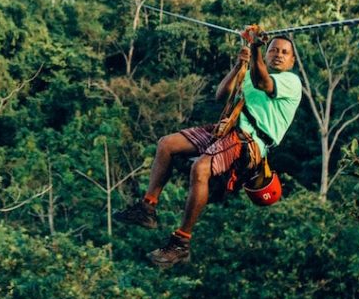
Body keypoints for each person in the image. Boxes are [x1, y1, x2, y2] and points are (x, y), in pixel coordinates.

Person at [114, 24, 301, 267]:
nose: (278, 54)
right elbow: (221, 96)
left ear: (292, 61)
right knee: (167, 145)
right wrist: (238, 66)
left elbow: (264, 82)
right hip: (226, 129)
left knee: (200, 169)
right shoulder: (252, 73)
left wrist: (255, 47)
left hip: (248, 141)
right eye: (273, 50)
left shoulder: (290, 81)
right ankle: (147, 207)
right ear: (266, 54)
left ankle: (181, 242)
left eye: (284, 52)